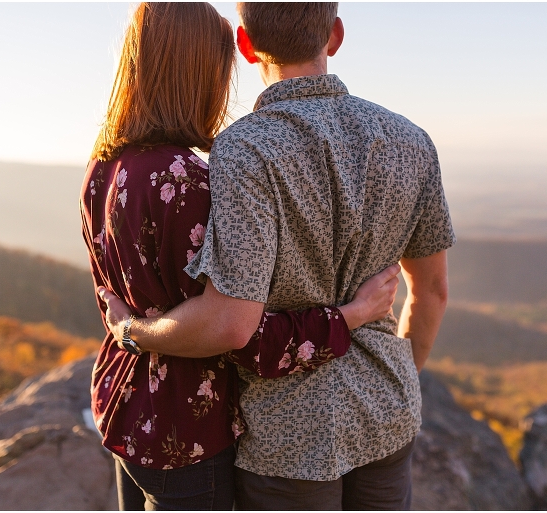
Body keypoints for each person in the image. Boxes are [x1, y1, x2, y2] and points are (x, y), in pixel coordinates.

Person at [102, 2, 456, 510]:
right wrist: (396, 378)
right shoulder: (411, 141)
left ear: (244, 46)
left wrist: (131, 331)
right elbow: (433, 292)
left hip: (287, 434)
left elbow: (230, 322)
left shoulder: (241, 151)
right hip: (388, 412)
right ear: (334, 36)